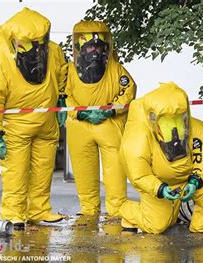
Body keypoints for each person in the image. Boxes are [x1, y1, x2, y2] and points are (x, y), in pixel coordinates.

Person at [0, 8, 67, 229]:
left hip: (46, 123)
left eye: (40, 43)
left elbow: (62, 72)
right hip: (16, 127)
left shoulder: (53, 51)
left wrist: (63, 99)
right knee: (16, 172)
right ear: (16, 42)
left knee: (43, 169)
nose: (37, 50)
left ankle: (39, 209)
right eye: (30, 44)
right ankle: (13, 213)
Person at [118, 82, 203, 235]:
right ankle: (128, 213)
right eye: (167, 120)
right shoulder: (138, 139)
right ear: (153, 119)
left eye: (178, 118)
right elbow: (140, 175)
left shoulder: (199, 131)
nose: (174, 127)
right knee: (156, 226)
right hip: (159, 182)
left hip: (187, 180)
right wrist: (160, 188)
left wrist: (195, 182)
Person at [64, 21, 136, 216]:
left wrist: (110, 110)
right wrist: (80, 112)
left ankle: (117, 209)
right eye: (89, 46)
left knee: (115, 171)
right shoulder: (70, 71)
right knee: (84, 170)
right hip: (79, 125)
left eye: (98, 46)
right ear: (81, 47)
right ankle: (89, 210)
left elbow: (129, 91)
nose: (94, 51)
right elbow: (64, 95)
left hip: (109, 125)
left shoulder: (116, 69)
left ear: (105, 46)